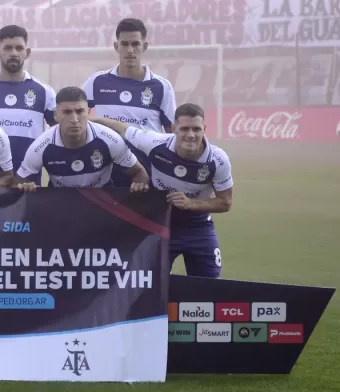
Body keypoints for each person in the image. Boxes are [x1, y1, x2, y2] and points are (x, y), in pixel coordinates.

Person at [90, 103, 233, 278]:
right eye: (184, 129)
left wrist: (191, 204)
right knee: (154, 283)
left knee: (210, 283)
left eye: (196, 129)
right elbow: (121, 128)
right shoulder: (155, 143)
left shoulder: (218, 160)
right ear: (174, 129)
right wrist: (86, 120)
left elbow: (225, 202)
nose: (191, 135)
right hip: (160, 223)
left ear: (204, 129)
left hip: (198, 226)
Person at [82, 18, 176, 187]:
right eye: (124, 44)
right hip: (106, 174)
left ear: (144, 46)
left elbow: (172, 135)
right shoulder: (97, 81)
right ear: (116, 46)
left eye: (135, 44)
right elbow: (77, 113)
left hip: (148, 174)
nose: (130, 50)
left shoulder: (161, 86)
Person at [14, 86, 149, 191]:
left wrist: (139, 187)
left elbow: (139, 172)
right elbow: (18, 182)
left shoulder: (111, 140)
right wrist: (25, 186)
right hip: (60, 202)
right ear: (56, 115)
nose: (74, 119)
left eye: (79, 111)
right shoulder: (40, 146)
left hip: (103, 202)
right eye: (67, 112)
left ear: (88, 112)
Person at [0, 25, 56, 185]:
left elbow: (61, 131)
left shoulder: (44, 91)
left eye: (19, 48)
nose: (14, 53)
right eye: (8, 48)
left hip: (28, 185)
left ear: (27, 52)